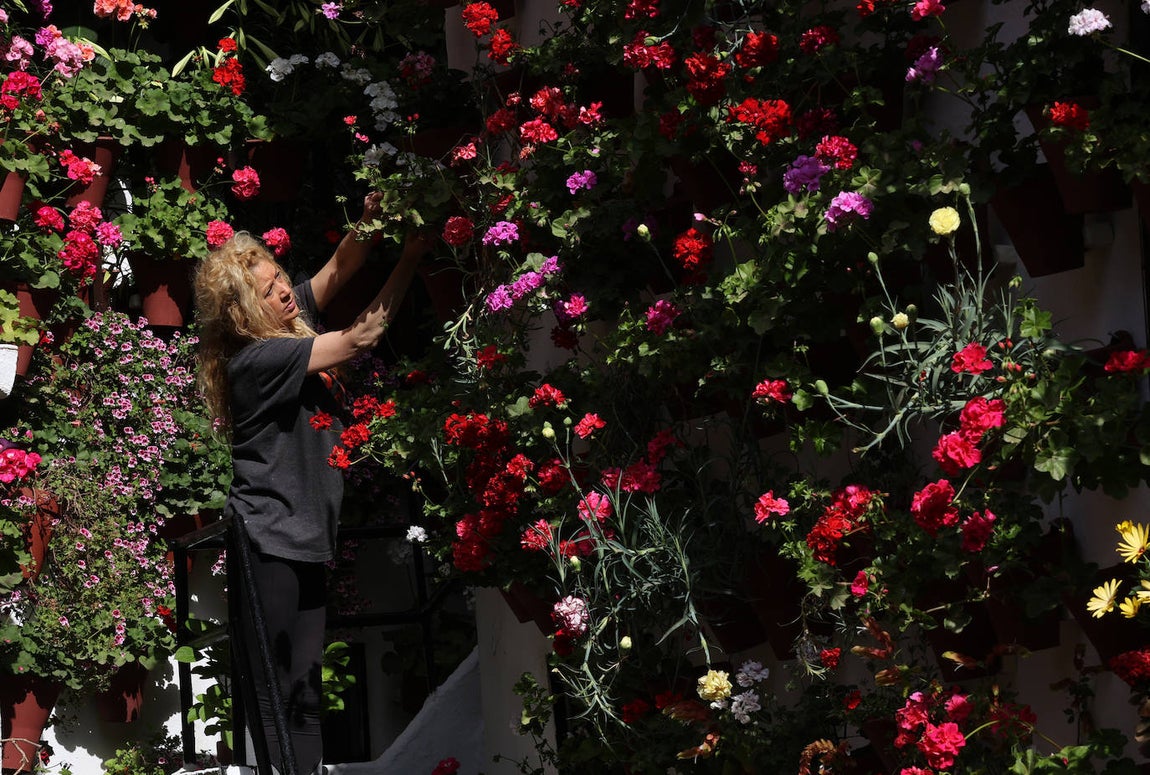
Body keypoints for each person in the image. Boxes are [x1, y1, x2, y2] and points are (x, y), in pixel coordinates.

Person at [194, 193, 426, 775]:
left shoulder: (282, 322)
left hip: (305, 536)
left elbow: (337, 269)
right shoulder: (260, 360)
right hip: (267, 540)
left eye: (277, 279)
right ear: (246, 313)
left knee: (304, 693)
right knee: (275, 692)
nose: (283, 291)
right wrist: (412, 258)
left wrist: (377, 210)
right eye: (269, 290)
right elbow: (357, 338)